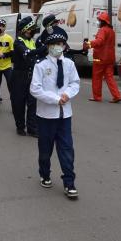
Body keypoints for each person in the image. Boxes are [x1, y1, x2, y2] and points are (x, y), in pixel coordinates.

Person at [30, 26, 81, 199]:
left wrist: (67, 95)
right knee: (45, 148)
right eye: (54, 44)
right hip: (46, 115)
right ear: (48, 46)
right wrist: (55, 99)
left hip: (64, 115)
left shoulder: (69, 64)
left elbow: (75, 83)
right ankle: (44, 174)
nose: (58, 46)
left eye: (61, 43)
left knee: (67, 149)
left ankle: (69, 182)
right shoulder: (41, 65)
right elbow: (35, 89)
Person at [11, 16, 45, 137]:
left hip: (32, 75)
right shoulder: (18, 42)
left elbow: (36, 57)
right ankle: (20, 126)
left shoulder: (32, 41)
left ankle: (32, 128)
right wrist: (43, 49)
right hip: (19, 76)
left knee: (32, 102)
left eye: (33, 29)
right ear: (24, 30)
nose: (32, 31)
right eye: (30, 29)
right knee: (19, 102)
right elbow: (28, 53)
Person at [83, 12, 121, 103]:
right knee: (109, 77)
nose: (98, 22)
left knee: (97, 77)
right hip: (110, 58)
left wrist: (88, 44)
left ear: (103, 21)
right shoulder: (111, 31)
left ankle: (97, 97)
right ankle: (117, 96)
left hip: (100, 58)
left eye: (99, 20)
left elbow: (99, 41)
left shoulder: (102, 30)